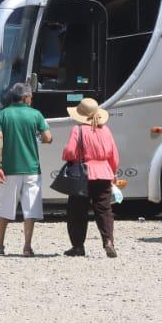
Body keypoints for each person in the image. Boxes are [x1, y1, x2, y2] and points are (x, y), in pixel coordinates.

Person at [0, 82, 52, 257]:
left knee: (6, 207)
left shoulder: (2, 115)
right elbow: (48, 137)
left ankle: (0, 245)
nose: (32, 99)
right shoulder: (36, 115)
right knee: (30, 209)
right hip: (32, 168)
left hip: (9, 169)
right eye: (31, 96)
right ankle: (27, 247)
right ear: (25, 97)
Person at [60, 98, 119, 258]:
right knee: (104, 210)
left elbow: (70, 152)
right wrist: (113, 173)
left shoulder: (78, 130)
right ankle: (108, 241)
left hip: (82, 174)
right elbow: (114, 155)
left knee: (77, 212)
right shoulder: (106, 130)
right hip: (104, 173)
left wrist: (65, 153)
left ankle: (78, 246)